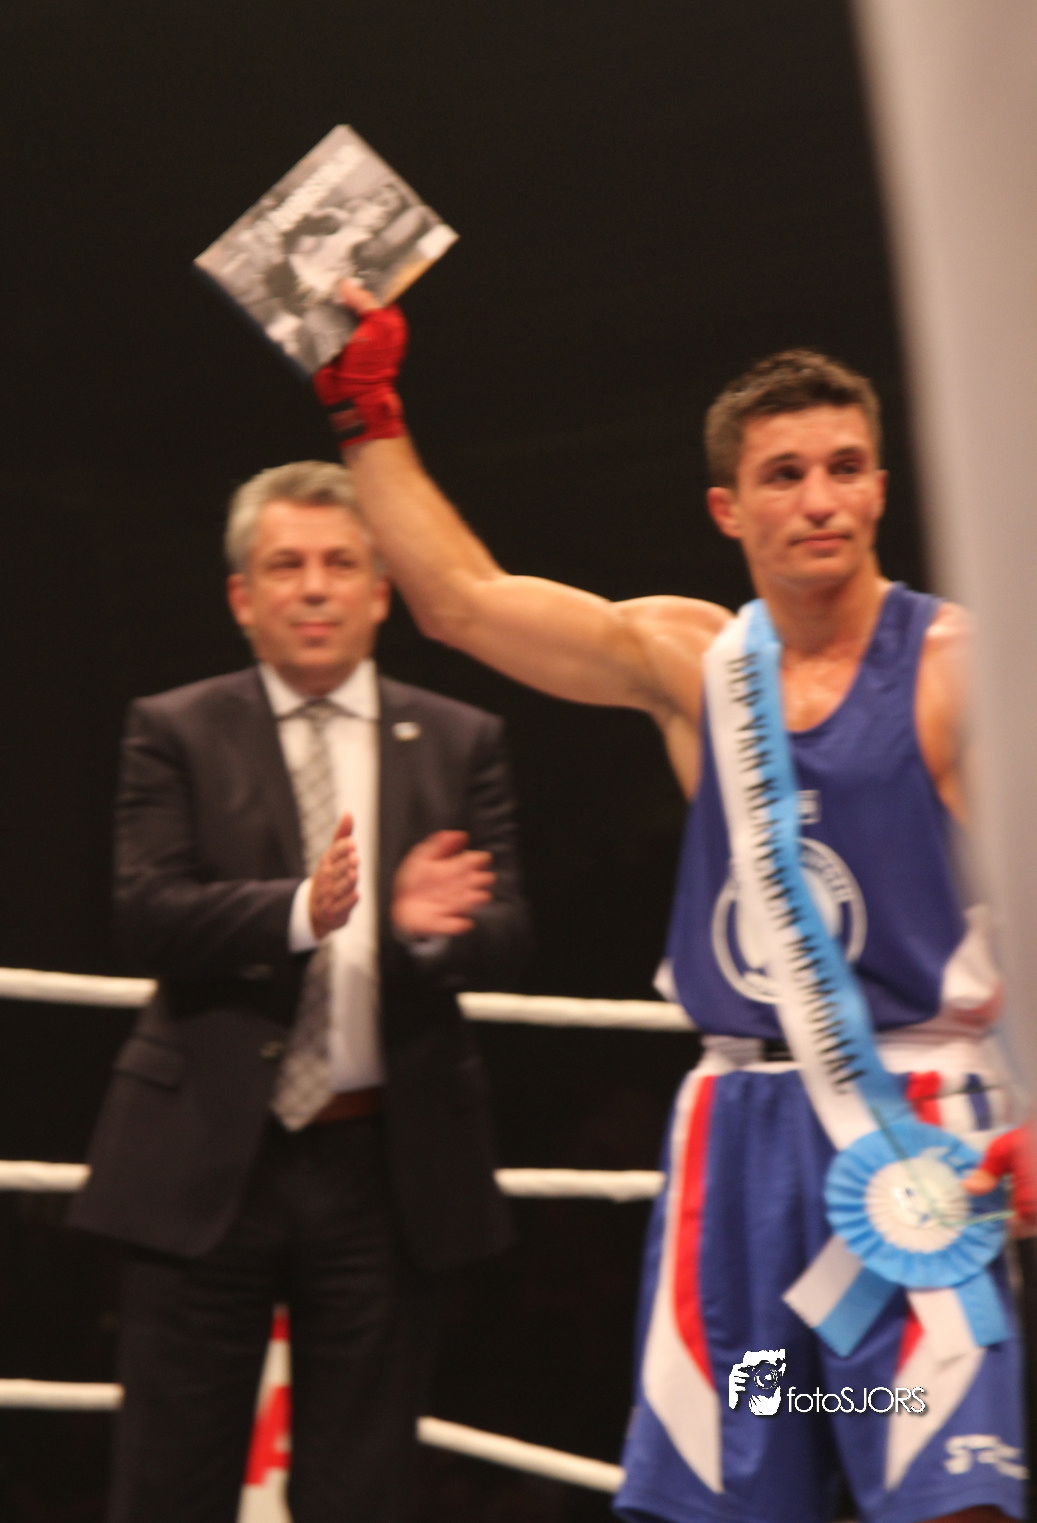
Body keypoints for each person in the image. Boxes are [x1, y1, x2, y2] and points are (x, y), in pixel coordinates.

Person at [307, 292, 1031, 1523]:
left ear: (879, 487)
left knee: (942, 1483)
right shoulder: (694, 666)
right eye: (784, 474)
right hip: (740, 1155)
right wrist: (363, 413)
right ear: (726, 509)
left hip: (920, 1144)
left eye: (844, 467)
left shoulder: (959, 667)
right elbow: (462, 602)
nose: (818, 499)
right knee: (742, 1478)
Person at [71, 460, 530, 1523]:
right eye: (286, 565)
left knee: (359, 1492)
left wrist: (423, 935)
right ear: (244, 596)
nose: (314, 587)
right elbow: (145, 910)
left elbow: (511, 936)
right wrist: (297, 913)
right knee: (167, 1486)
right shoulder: (174, 727)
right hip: (204, 1158)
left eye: (338, 563)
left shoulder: (459, 738)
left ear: (380, 589)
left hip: (385, 1166)